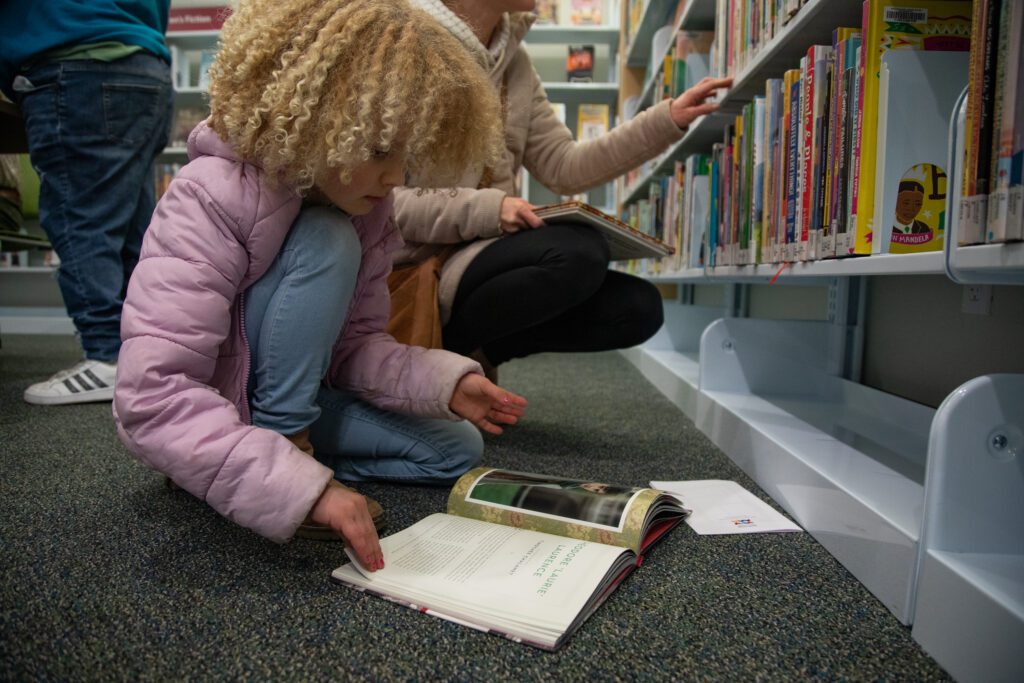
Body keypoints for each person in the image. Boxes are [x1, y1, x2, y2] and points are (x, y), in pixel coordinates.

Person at [112, 0, 527, 572]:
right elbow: (151, 398)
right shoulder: (207, 197)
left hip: (302, 397)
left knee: (457, 449)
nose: (395, 179)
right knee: (325, 239)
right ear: (317, 122)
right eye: (380, 150)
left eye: (406, 155)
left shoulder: (369, 212)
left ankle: (260, 465)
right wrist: (299, 486)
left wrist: (443, 383)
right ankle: (277, 455)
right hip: (224, 406)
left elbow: (354, 348)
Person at [392, 0, 733, 379]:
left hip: (480, 255)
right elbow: (381, 204)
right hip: (415, 267)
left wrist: (665, 120)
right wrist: (490, 208)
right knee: (578, 252)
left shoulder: (514, 62)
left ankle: (478, 354)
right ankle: (431, 362)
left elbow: (563, 165)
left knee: (640, 306)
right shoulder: (402, 44)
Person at [0, 0, 174, 404]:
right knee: (135, 230)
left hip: (74, 63)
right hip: (144, 66)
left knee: (79, 220)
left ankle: (106, 357)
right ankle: (144, 355)